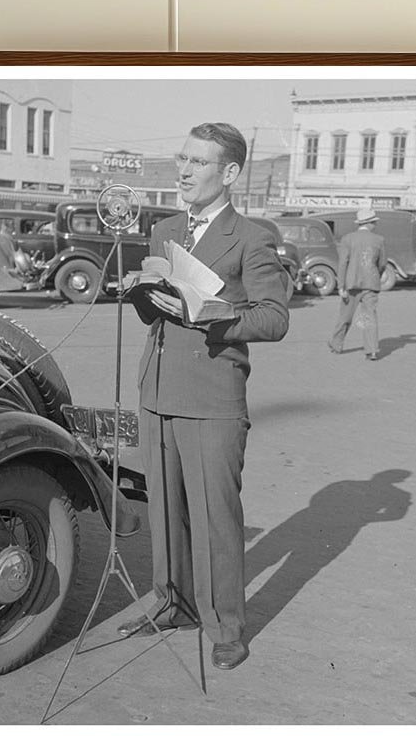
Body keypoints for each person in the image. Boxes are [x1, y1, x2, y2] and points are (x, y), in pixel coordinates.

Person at [123, 122, 290, 671]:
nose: (184, 170)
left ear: (230, 173)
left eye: (198, 162)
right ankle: (173, 603)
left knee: (216, 517)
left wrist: (207, 311)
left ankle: (226, 628)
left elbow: (273, 319)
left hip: (213, 398)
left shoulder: (252, 236)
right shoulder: (165, 228)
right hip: (157, 392)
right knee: (165, 511)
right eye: (182, 158)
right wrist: (141, 293)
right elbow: (158, 309)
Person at [328, 208, 388, 360]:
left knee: (345, 316)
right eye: (374, 222)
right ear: (369, 223)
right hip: (371, 284)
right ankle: (372, 350)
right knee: (369, 317)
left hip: (351, 284)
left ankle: (336, 345)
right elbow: (382, 264)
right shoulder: (379, 240)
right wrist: (377, 276)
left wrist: (340, 285)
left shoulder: (348, 239)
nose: (375, 225)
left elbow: (343, 263)